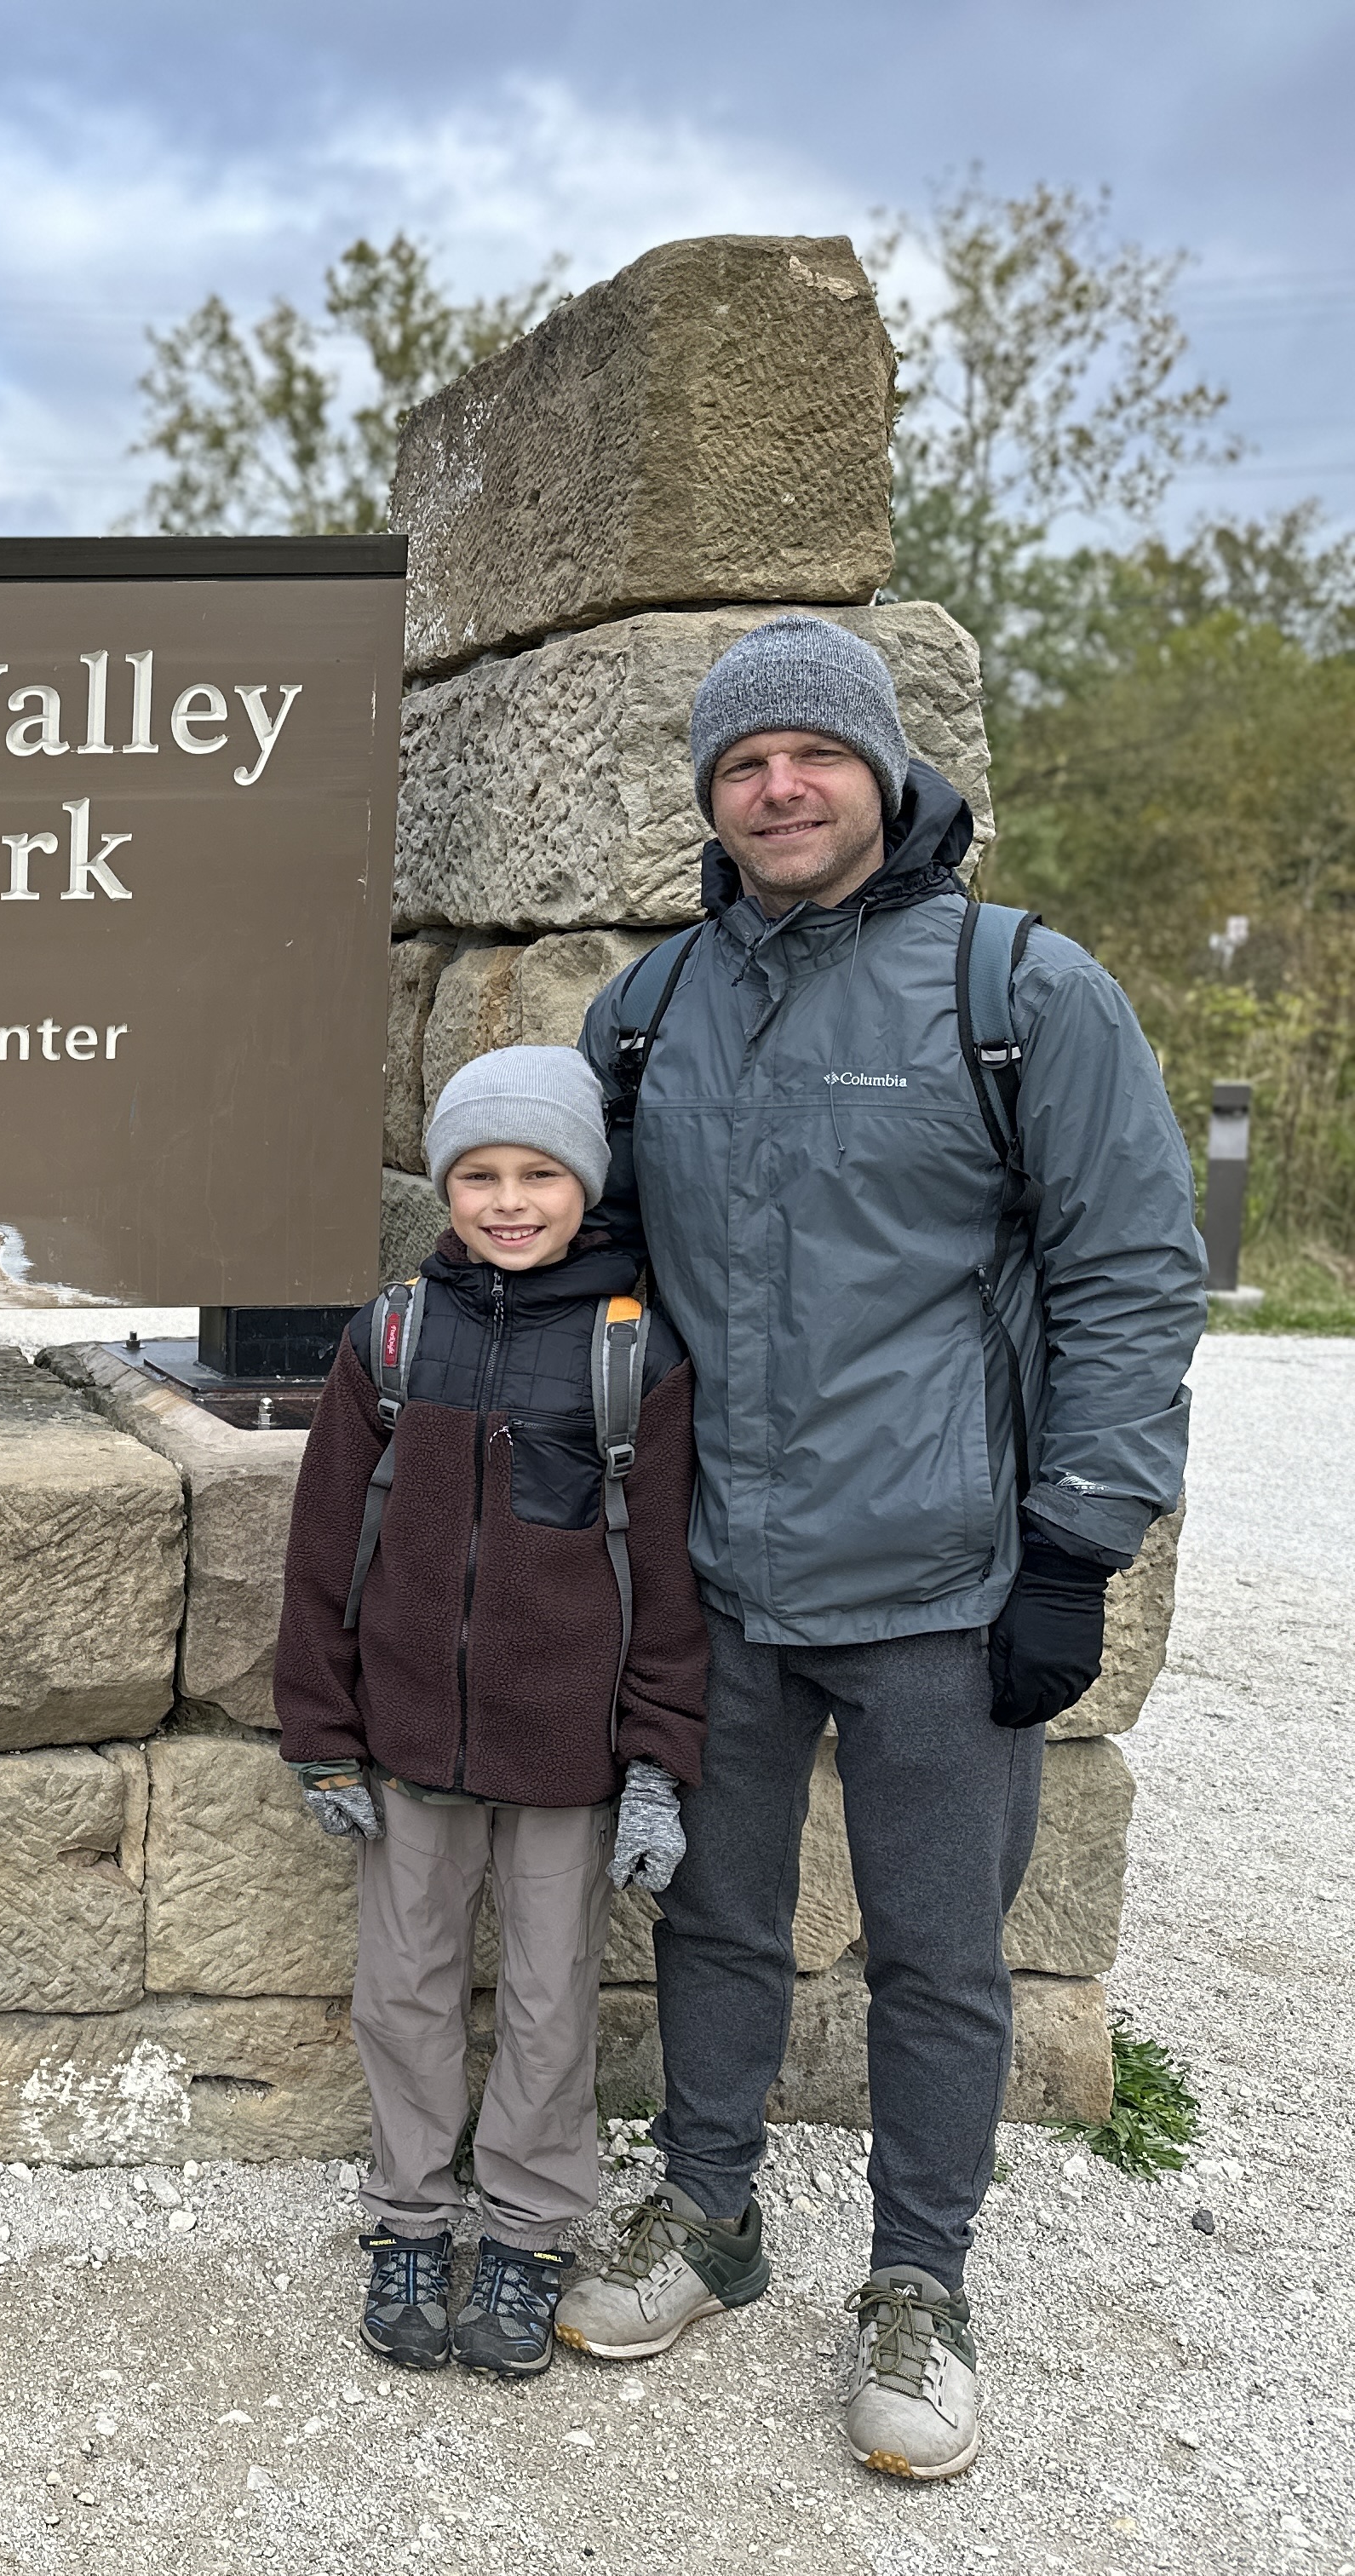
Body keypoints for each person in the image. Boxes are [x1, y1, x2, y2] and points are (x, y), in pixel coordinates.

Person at [558, 618, 1204, 2480]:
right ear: (711, 798)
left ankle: (921, 2280)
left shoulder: (1022, 992)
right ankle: (709, 2212)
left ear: (884, 772)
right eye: (741, 764)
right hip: (718, 1579)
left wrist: (1077, 1546)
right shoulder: (649, 1010)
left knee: (939, 1955)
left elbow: (1131, 1276)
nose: (779, 787)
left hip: (949, 1582)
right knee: (715, 1920)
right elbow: (593, 1272)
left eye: (812, 756)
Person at [273, 1046, 709, 2378]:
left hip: (568, 1758)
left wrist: (657, 1763)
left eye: (538, 1175)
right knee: (402, 1993)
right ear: (444, 1187)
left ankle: (525, 2233)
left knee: (548, 2007)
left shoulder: (634, 1353)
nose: (509, 1202)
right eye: (478, 1176)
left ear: (586, 1185)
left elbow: (666, 1582)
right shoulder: (393, 1337)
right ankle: (409, 2218)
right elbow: (326, 1546)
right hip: (409, 1745)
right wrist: (322, 1735)